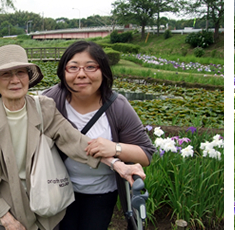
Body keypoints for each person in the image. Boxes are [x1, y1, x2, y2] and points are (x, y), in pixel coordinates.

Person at [0, 44, 143, 230]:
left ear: (28, 77)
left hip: (46, 200)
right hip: (10, 207)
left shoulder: (43, 108)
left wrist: (117, 164)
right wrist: (5, 218)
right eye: (6, 74)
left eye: (21, 72)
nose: (15, 80)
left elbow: (74, 141)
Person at [43, 40, 155, 230]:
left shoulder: (117, 106)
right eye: (73, 67)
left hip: (101, 193)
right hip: (58, 189)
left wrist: (115, 148)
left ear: (103, 71)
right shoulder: (50, 100)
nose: (81, 74)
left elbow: (146, 154)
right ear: (63, 72)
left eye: (90, 67)